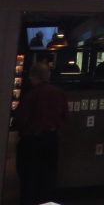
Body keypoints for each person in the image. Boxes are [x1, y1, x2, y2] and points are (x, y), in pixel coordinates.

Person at [13, 62, 68, 205]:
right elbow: (64, 116)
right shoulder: (59, 93)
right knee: (48, 177)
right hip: (51, 139)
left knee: (29, 178)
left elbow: (21, 119)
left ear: (33, 77)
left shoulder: (31, 95)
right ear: (48, 76)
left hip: (32, 141)